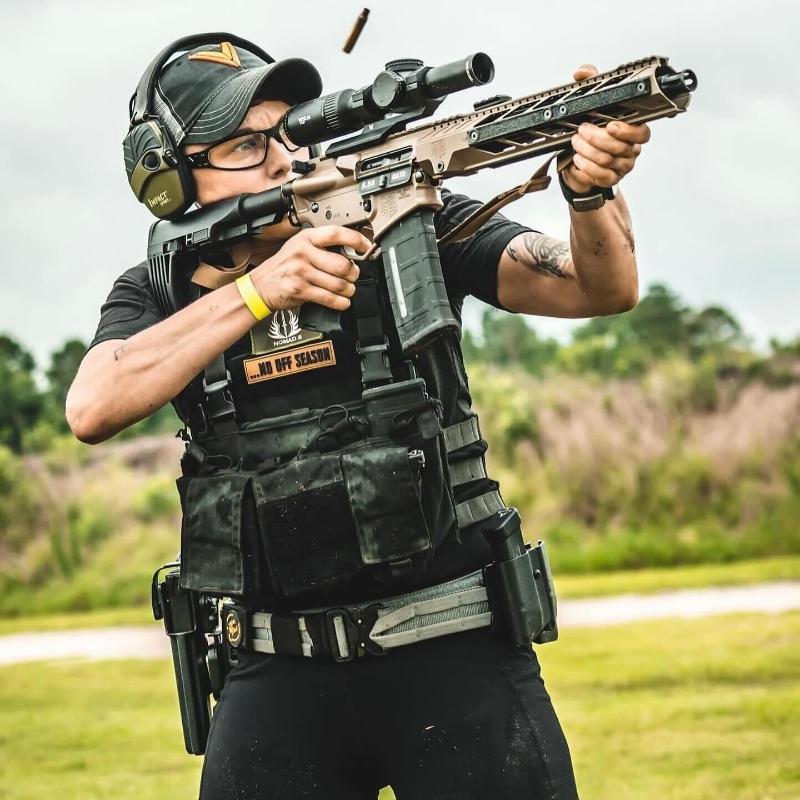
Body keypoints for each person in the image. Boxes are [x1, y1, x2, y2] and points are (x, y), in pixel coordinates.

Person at [67, 35, 649, 800]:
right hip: (274, 670)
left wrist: (587, 190)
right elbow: (93, 405)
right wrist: (256, 293)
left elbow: (595, 289)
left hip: (456, 649)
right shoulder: (159, 288)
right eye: (246, 144)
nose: (281, 158)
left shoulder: (405, 216)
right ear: (169, 184)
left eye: (288, 131)